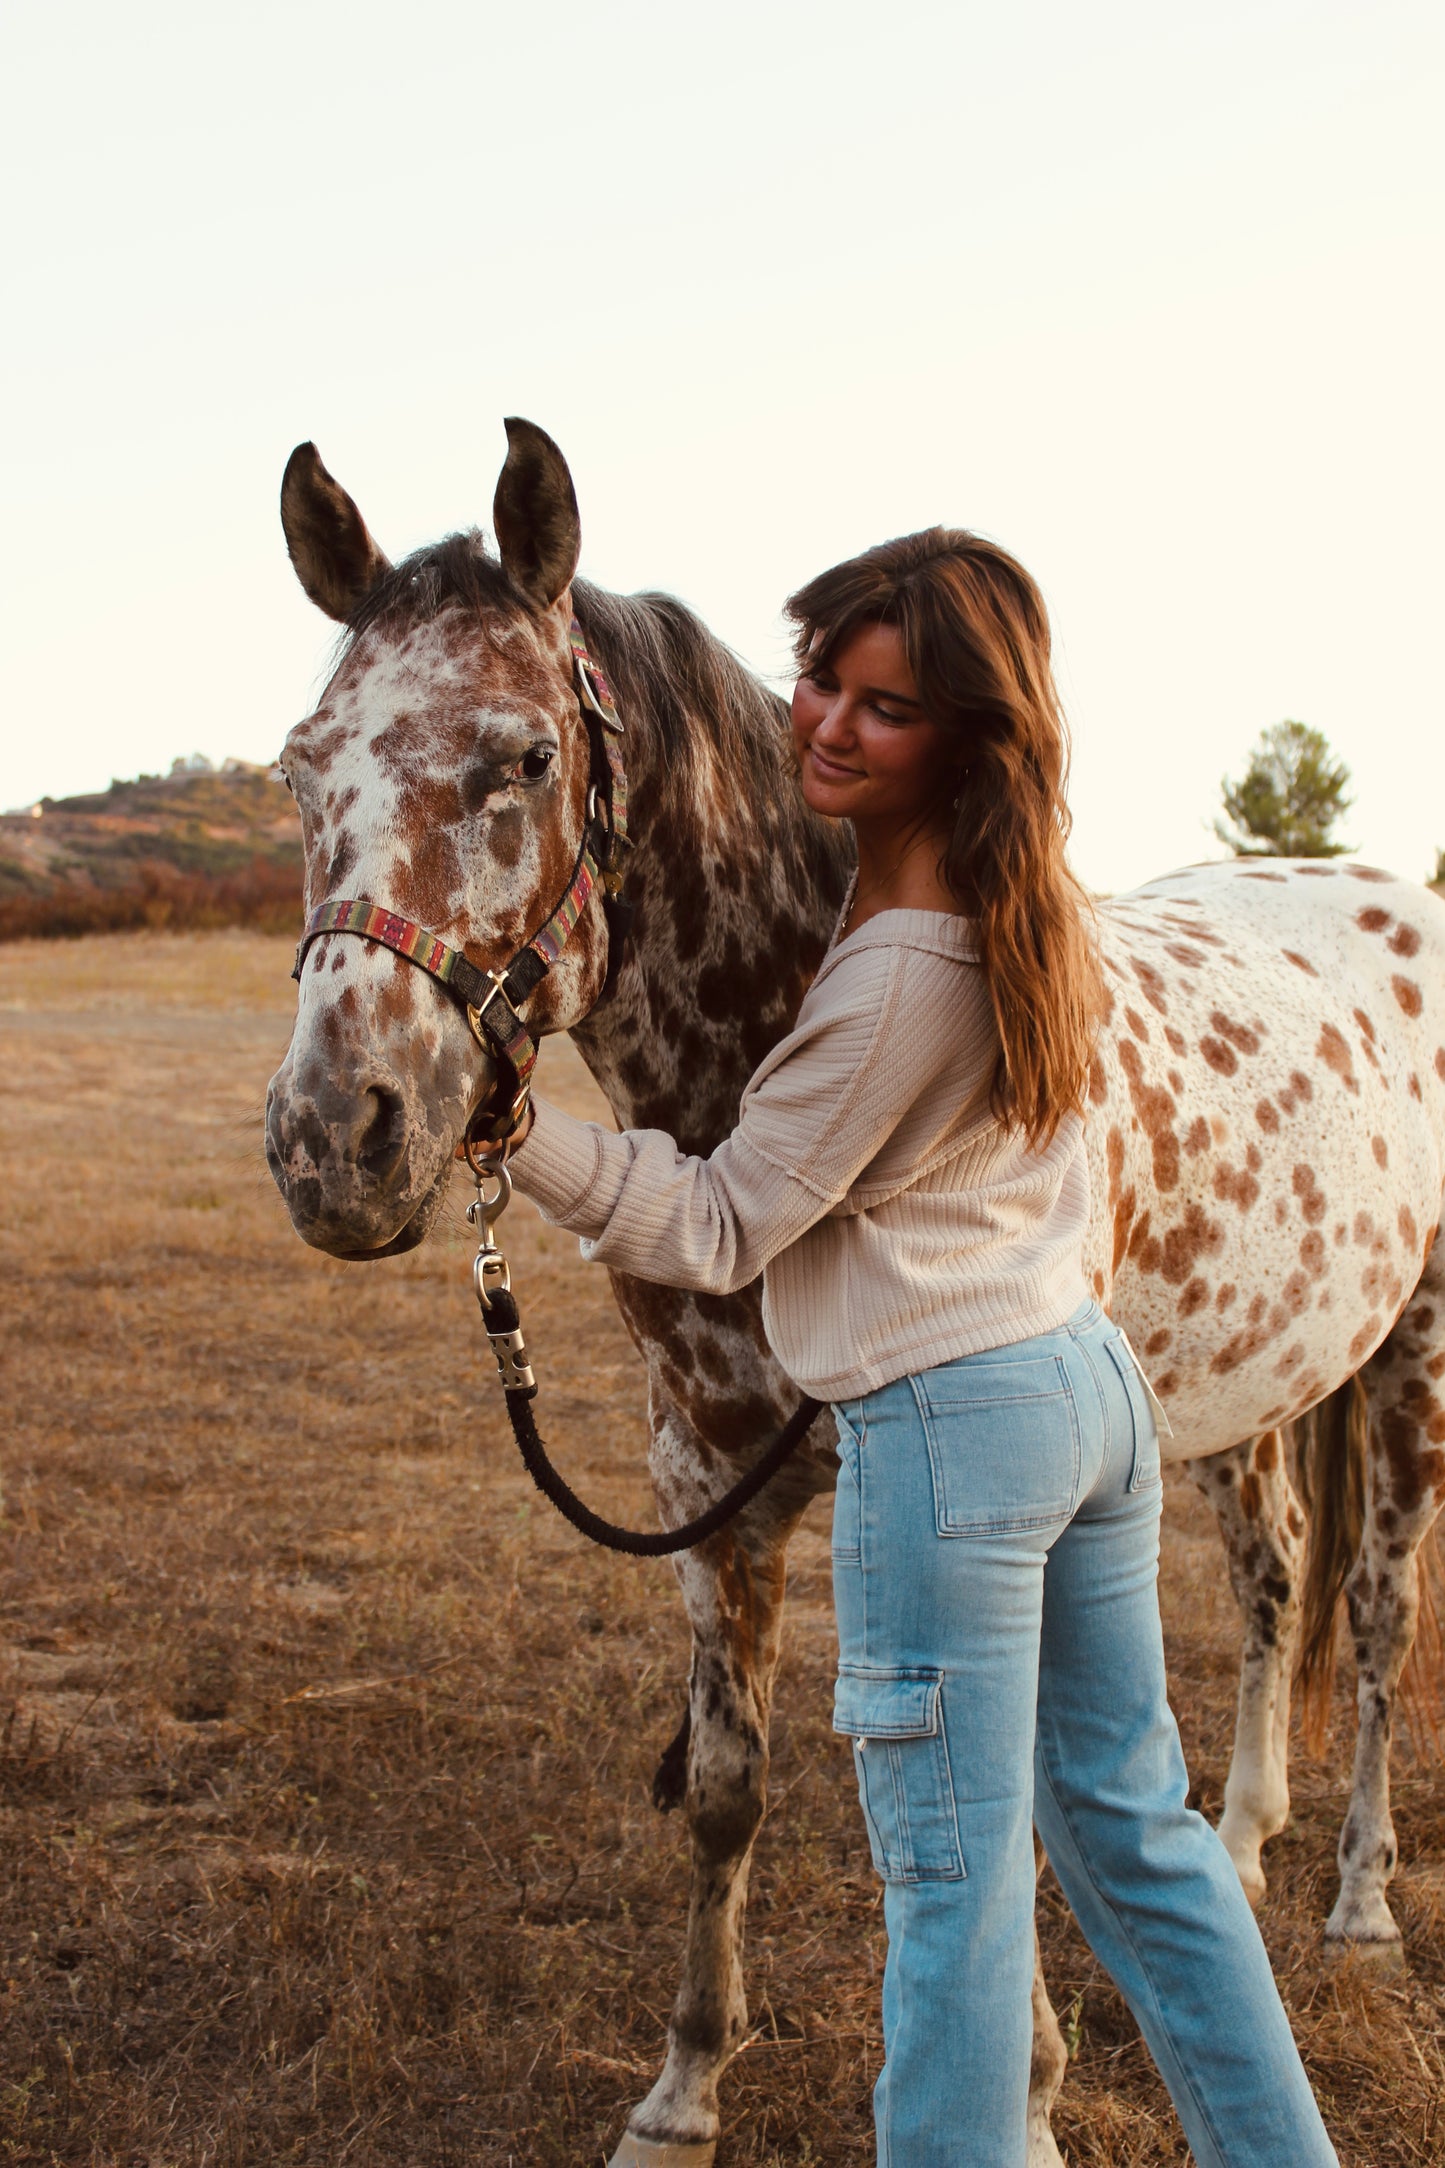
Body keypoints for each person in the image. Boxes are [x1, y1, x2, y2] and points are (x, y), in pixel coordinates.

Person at [504, 529, 1337, 2167]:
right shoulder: (1023, 914)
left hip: (955, 1438)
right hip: (1080, 1393)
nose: (819, 719)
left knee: (949, 1903)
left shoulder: (889, 973)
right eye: (818, 673)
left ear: (961, 737)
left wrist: (513, 1129)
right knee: (1144, 1845)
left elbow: (722, 1225)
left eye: (882, 708)